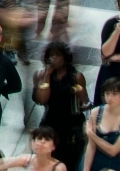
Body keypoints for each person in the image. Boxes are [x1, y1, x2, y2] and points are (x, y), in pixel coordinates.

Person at [32, 43, 87, 171]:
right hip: (51, 124)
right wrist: (47, 76)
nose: (54, 58)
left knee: (70, 164)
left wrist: (81, 95)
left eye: (58, 55)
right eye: (51, 56)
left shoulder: (76, 76)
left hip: (72, 127)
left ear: (65, 57)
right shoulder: (40, 75)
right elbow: (41, 99)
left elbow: (85, 104)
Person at [83, 78, 120, 171]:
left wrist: (91, 134)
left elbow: (113, 151)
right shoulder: (96, 112)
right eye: (107, 93)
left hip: (115, 164)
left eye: (114, 94)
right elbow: (91, 146)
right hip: (95, 161)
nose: (109, 98)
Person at [95, 0, 120, 106]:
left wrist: (117, 57)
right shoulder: (111, 23)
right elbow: (105, 54)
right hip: (110, 72)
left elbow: (111, 56)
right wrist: (117, 32)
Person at [0, 126, 67, 171]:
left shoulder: (58, 168)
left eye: (47, 139)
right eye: (39, 139)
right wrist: (14, 161)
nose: (42, 142)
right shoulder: (27, 159)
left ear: (54, 146)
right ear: (33, 143)